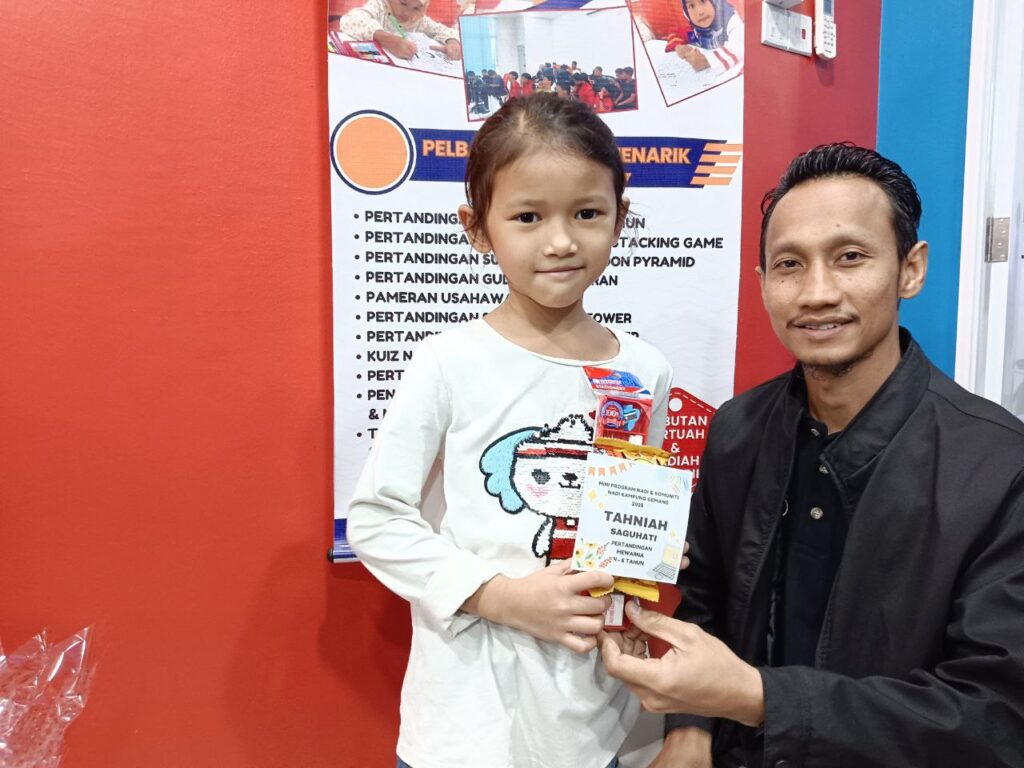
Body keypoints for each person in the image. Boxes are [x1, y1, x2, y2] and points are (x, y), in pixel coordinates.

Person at [600, 143, 1024, 767]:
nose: (817, 292)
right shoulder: (738, 430)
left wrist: (759, 699)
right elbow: (707, 595)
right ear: (763, 284)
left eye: (850, 257)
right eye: (790, 265)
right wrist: (692, 727)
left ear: (910, 269)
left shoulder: (999, 468)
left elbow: (996, 718)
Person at [347, 93, 674, 768]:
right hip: (467, 726)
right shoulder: (448, 361)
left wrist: (648, 560)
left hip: (599, 723)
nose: (560, 241)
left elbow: (626, 524)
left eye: (587, 213)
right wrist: (502, 598)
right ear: (478, 227)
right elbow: (377, 520)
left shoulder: (645, 371)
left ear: (621, 217)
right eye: (528, 217)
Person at [338, 0, 462, 61]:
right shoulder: (380, 6)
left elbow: (444, 30)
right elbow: (350, 20)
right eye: (403, 3)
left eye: (416, 9)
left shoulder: (418, 20)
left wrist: (452, 41)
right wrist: (387, 39)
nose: (407, 13)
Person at [667, 0, 742, 75]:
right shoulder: (695, 31)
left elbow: (740, 46)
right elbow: (677, 35)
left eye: (703, 1)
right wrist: (679, 47)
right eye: (692, 6)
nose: (700, 12)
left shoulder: (732, 21)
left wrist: (707, 61)